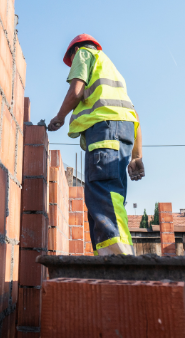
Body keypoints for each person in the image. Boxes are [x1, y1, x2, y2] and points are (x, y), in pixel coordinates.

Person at [47, 34, 144, 256]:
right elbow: (134, 114)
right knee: (112, 197)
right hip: (123, 131)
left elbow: (76, 91)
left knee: (103, 193)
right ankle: (108, 259)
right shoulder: (111, 70)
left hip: (104, 130)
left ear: (75, 52)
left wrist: (60, 117)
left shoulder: (84, 54)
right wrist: (136, 156)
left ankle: (119, 259)